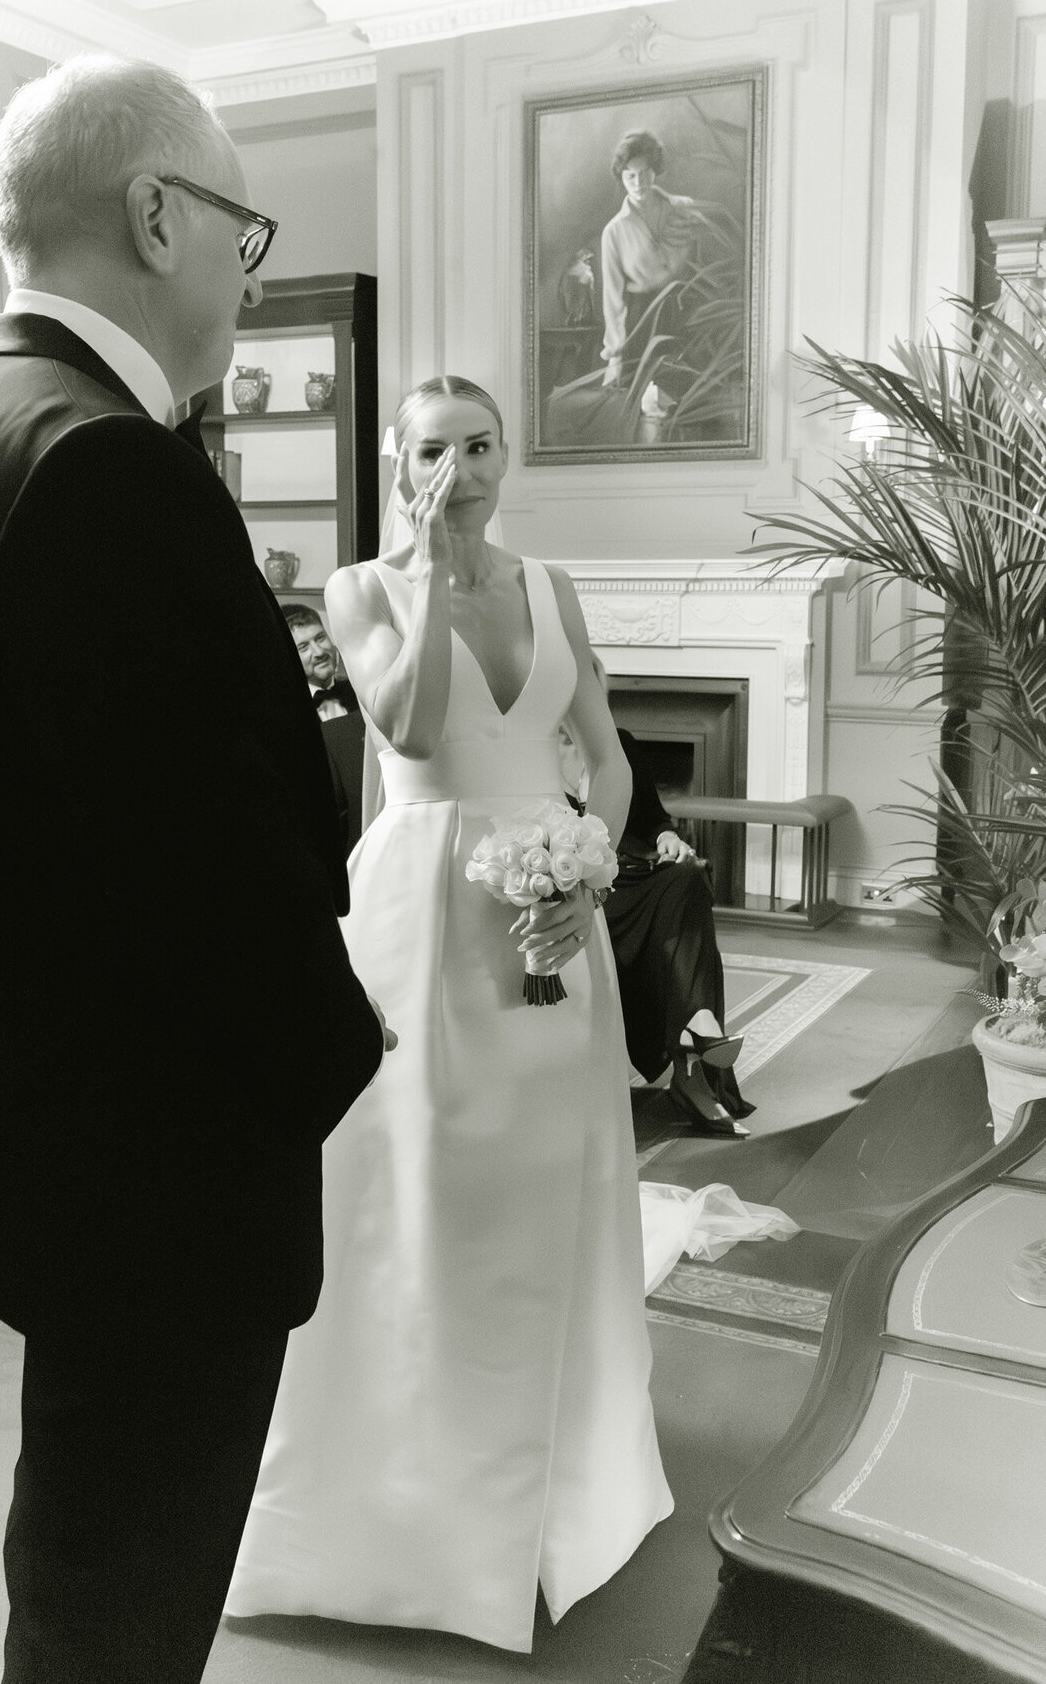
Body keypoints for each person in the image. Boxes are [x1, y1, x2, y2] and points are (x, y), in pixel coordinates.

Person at [0, 55, 389, 1684]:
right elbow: (222, 869)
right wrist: (344, 1050)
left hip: (54, 1150)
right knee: (122, 1616)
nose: (251, 273)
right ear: (158, 214)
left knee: (80, 1568)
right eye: (244, 229)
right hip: (166, 1183)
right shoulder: (104, 462)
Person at [226, 374, 674, 1651]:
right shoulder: (360, 589)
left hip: (552, 910)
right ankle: (414, 1498)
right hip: (420, 915)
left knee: (551, 1175)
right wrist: (426, 574)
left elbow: (606, 750)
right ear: (396, 462)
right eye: (432, 450)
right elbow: (410, 724)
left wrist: (588, 864)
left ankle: (560, 1477)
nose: (459, 472)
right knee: (417, 1182)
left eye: (480, 447)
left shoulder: (552, 588)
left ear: (505, 455)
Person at [561, 681, 753, 1138]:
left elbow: (652, 818)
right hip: (580, 889)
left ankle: (698, 1027)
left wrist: (668, 837)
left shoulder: (618, 744)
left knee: (686, 877)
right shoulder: (527, 751)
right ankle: (694, 1052)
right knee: (680, 903)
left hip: (631, 874)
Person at [600, 129, 698, 394]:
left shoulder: (684, 208)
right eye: (630, 175)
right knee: (645, 401)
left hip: (685, 312)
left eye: (645, 173)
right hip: (641, 322)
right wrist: (616, 353)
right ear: (621, 177)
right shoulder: (614, 231)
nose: (638, 182)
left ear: (655, 170)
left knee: (686, 397)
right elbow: (612, 298)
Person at [284, 603, 365, 851]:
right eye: (303, 647)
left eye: (320, 638)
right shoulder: (287, 715)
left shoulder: (364, 693)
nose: (319, 651)